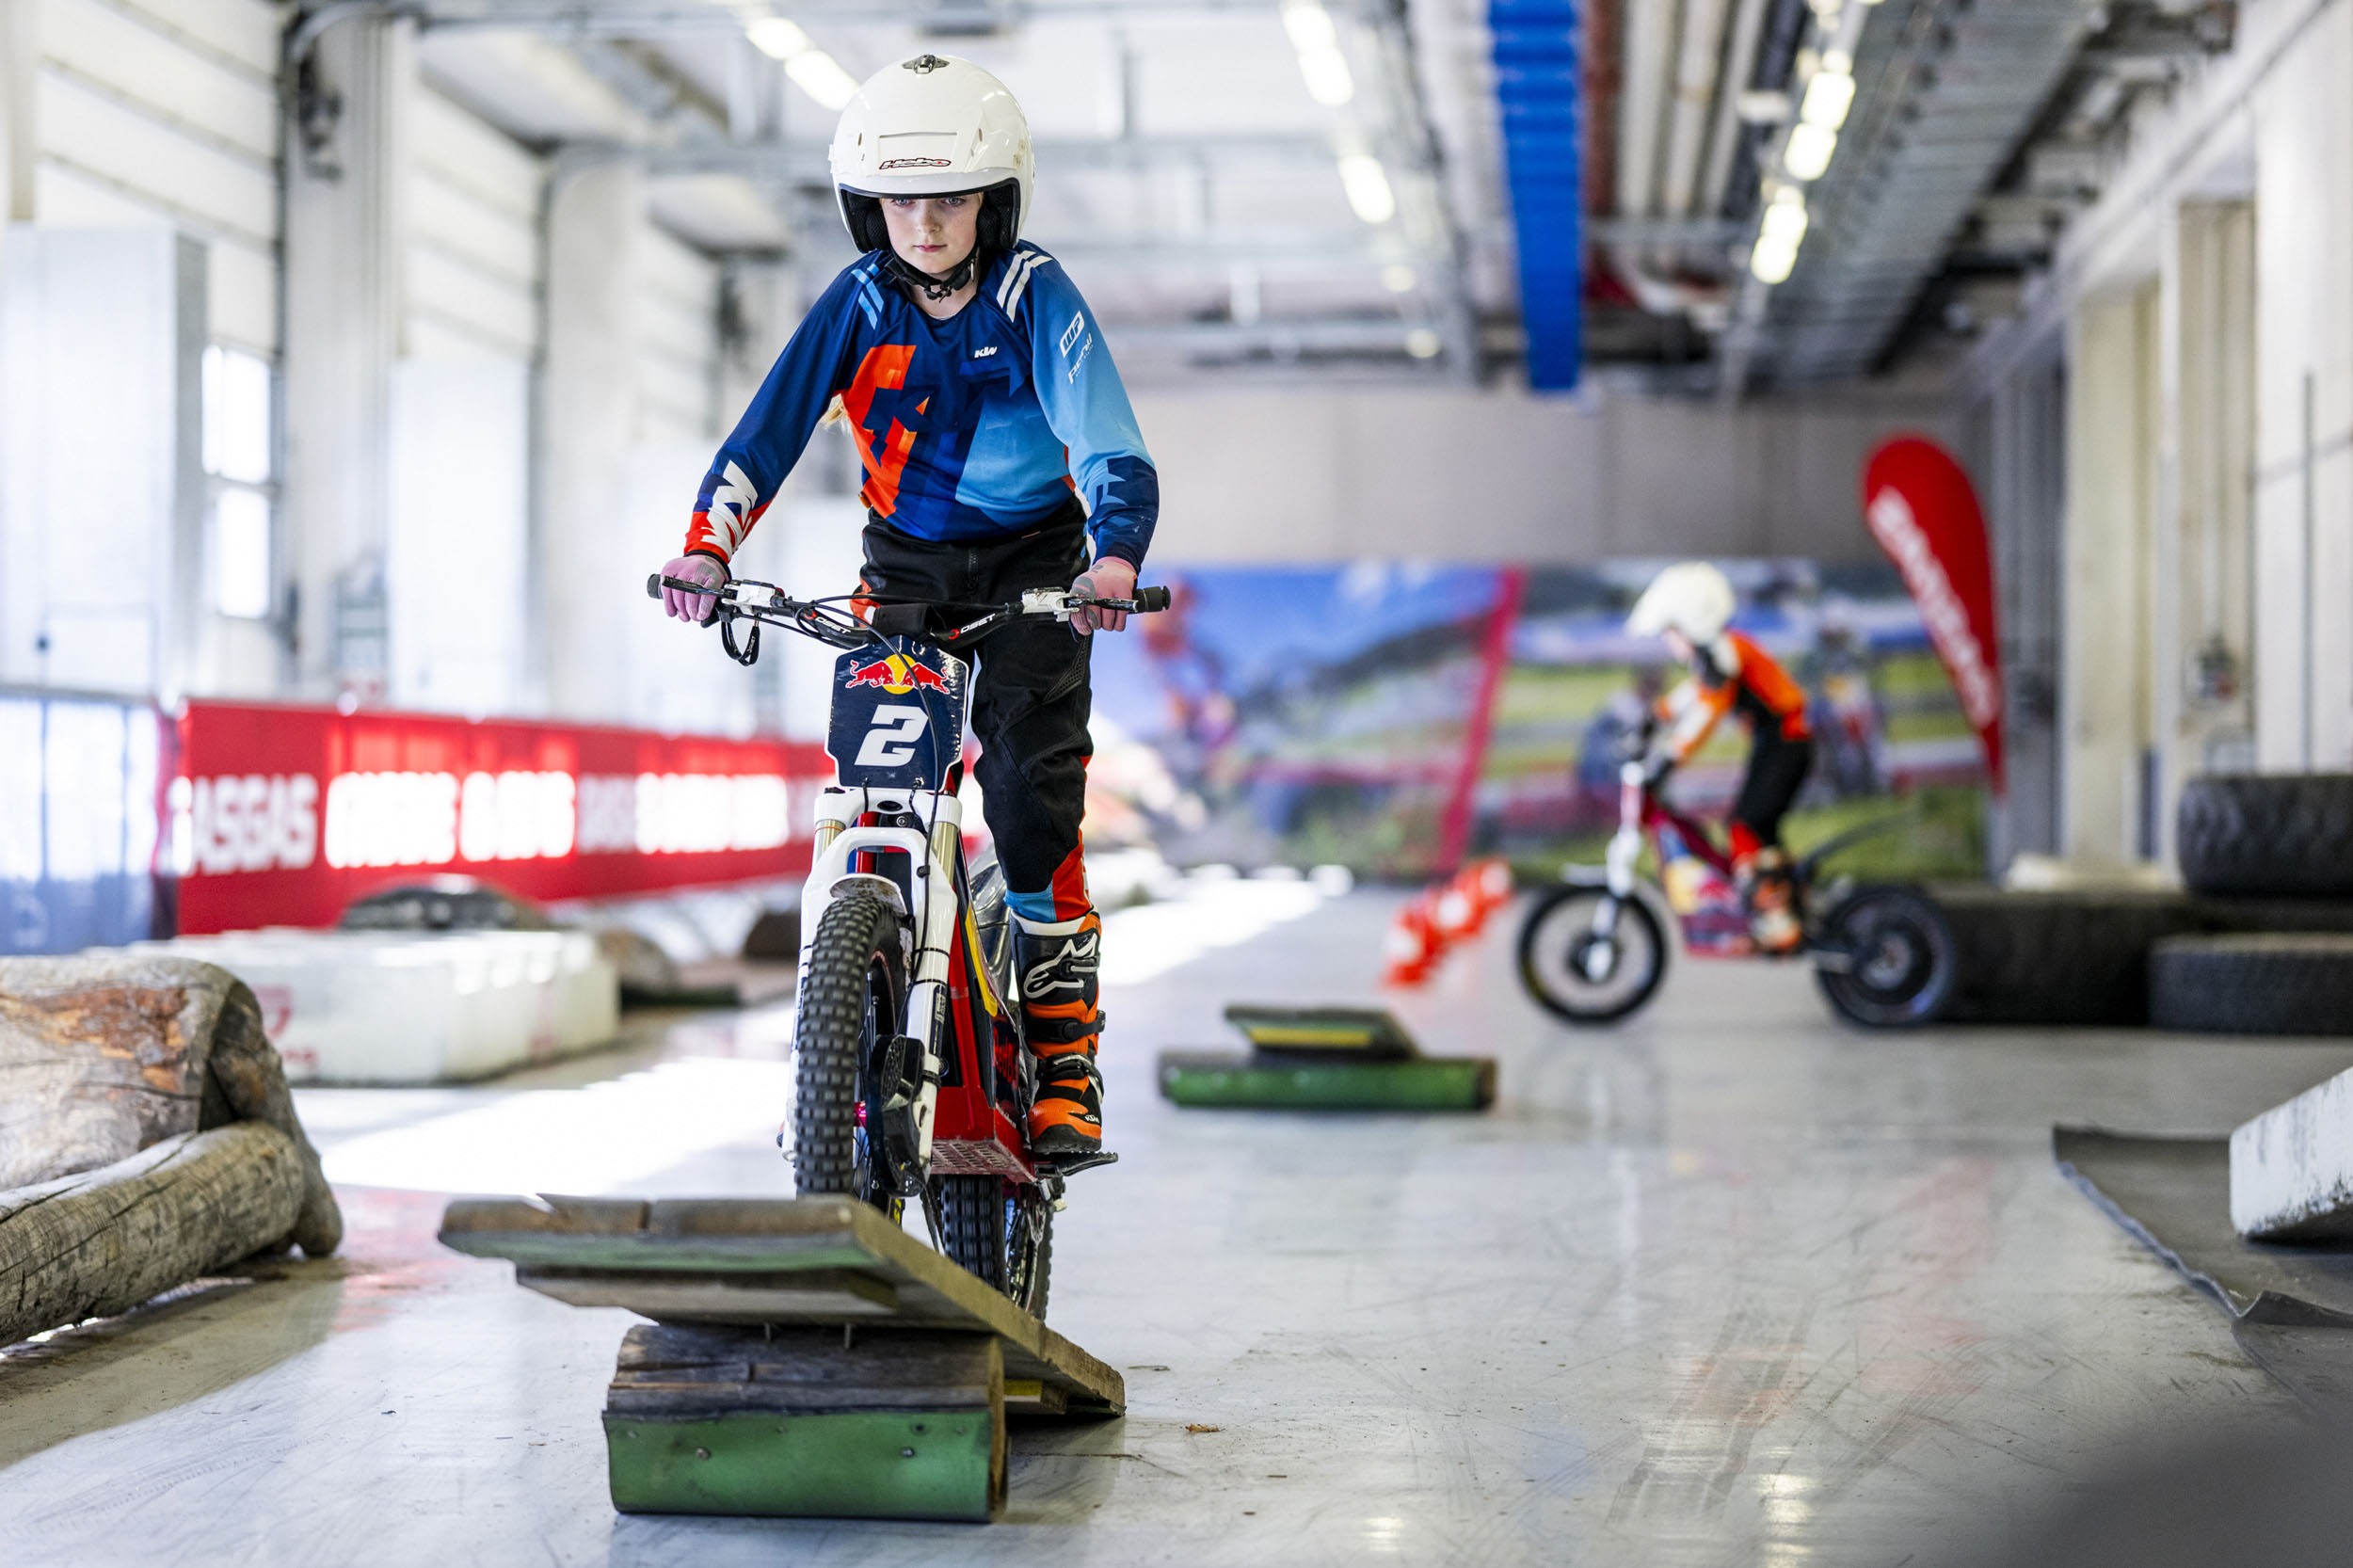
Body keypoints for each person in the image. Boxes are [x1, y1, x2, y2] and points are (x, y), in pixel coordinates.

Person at [655, 53, 1158, 1167]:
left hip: (1040, 570)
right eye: (900, 199)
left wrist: (1114, 560)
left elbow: (1110, 442)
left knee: (1028, 798)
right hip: (906, 576)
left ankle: (1066, 1056)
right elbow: (765, 434)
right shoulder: (859, 300)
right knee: (877, 778)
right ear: (864, 206)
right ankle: (850, 1008)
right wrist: (707, 548)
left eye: (948, 197)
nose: (923, 222)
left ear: (994, 200)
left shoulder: (1034, 296)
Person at [1625, 562, 1814, 952]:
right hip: (1779, 742)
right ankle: (1793, 900)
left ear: (1692, 622)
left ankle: (1779, 921)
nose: (1670, 643)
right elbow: (1693, 695)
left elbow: (1707, 711)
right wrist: (1654, 718)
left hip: (1786, 742)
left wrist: (1669, 757)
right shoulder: (1721, 654)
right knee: (1760, 831)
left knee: (1744, 827)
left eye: (1671, 632)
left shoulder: (1725, 654)